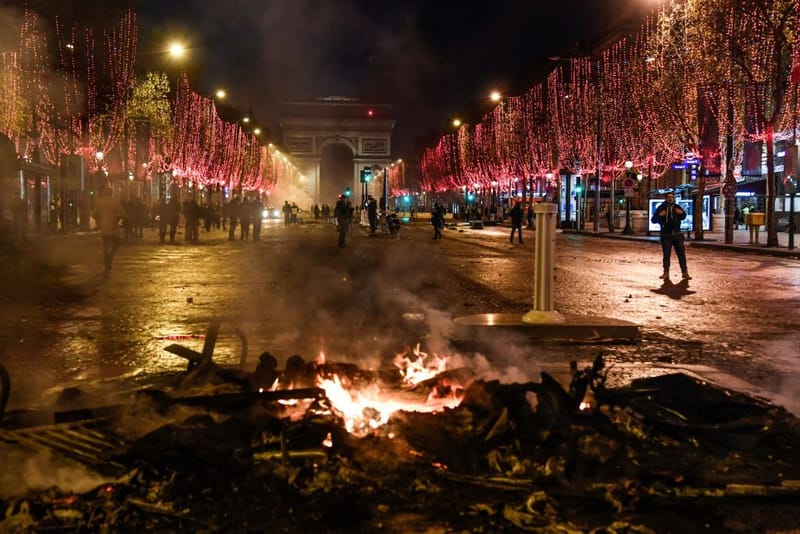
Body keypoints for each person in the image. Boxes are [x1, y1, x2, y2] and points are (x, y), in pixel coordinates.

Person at [651, 191, 691, 280]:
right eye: (668, 197)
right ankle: (666, 273)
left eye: (672, 197)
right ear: (666, 198)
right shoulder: (661, 208)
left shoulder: (677, 207)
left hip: (677, 234)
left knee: (681, 254)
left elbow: (684, 216)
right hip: (666, 235)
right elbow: (653, 220)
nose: (670, 198)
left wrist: (681, 213)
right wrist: (659, 215)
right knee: (666, 254)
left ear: (674, 198)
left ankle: (685, 272)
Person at [93, 186, 125, 274]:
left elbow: (94, 214)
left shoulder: (99, 202)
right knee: (116, 244)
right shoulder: (116, 202)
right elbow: (121, 214)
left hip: (104, 226)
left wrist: (99, 222)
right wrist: (117, 221)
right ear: (111, 193)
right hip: (113, 226)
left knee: (105, 245)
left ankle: (106, 262)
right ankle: (109, 260)